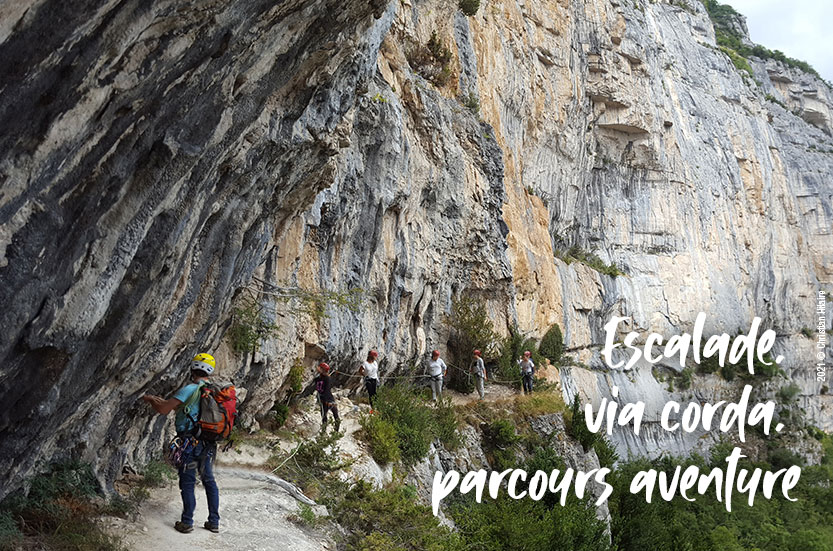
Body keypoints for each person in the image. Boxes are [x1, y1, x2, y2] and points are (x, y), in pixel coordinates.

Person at [142, 353, 220, 534]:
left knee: (188, 480)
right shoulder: (214, 391)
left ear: (193, 368)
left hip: (189, 445)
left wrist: (151, 399)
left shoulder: (190, 389)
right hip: (207, 444)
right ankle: (214, 522)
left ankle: (187, 522)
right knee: (209, 480)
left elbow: (163, 409)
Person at [314, 362, 341, 432]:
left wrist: (327, 401)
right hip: (322, 398)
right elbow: (317, 383)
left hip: (328, 398)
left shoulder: (327, 379)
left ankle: (336, 430)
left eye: (320, 368)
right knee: (324, 415)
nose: (318, 368)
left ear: (323, 369)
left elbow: (327, 389)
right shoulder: (319, 378)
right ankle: (324, 430)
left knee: (335, 413)